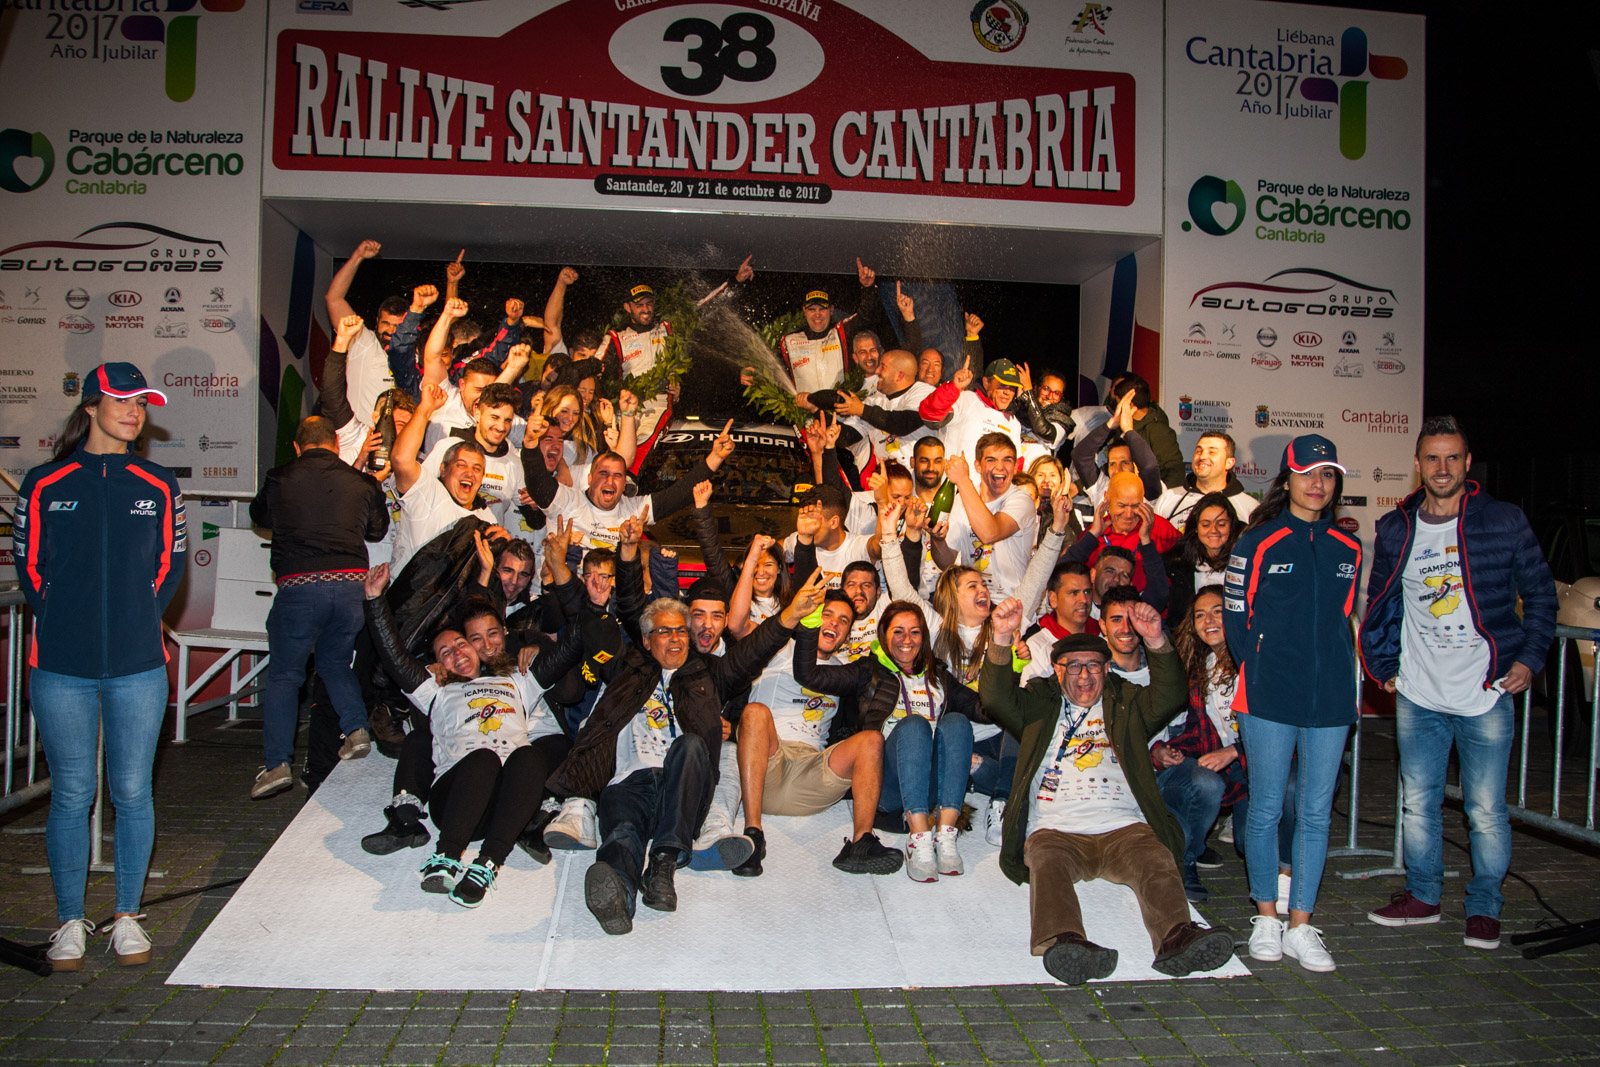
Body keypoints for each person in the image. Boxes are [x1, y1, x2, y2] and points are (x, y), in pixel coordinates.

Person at [1361, 416, 1557, 951]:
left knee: (1485, 811)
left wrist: (1529, 659)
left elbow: (1542, 596)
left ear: (1468, 463)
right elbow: (1382, 603)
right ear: (1418, 464)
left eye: (1452, 457)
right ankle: (1424, 896)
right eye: (1432, 458)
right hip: (1419, 694)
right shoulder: (1397, 526)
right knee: (1417, 804)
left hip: (1486, 692)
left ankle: (1485, 907)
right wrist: (1384, 667)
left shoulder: (1504, 520)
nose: (1442, 467)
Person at [16, 363, 186, 970]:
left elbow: (169, 567)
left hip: (138, 666)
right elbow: (30, 568)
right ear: (90, 407)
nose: (134, 410)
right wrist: (65, 620)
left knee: (133, 792)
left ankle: (127, 917)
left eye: (141, 401)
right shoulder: (45, 481)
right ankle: (70, 921)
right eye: (121, 399)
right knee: (72, 794)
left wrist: (136, 618)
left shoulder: (159, 483)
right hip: (61, 665)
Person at [557, 572, 824, 935]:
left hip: (682, 786)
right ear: (646, 640)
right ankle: (618, 895)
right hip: (627, 782)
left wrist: (790, 615)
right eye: (664, 631)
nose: (676, 638)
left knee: (691, 744)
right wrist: (596, 600)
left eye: (681, 631)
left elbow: (750, 654)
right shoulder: (625, 668)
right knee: (621, 834)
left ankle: (663, 866)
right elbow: (600, 626)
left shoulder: (707, 674)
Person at [982, 598, 1233, 984]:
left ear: (1106, 668)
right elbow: (995, 699)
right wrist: (1000, 637)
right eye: (1075, 666)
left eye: (1094, 666)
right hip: (1056, 828)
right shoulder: (1039, 704)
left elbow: (1171, 696)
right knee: (1046, 861)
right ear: (1057, 670)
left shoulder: (1127, 702)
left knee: (1155, 858)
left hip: (1123, 828)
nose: (1085, 676)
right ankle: (1065, 941)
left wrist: (1156, 640)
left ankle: (1177, 936)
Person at [362, 565, 604, 907]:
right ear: (437, 664)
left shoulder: (516, 681)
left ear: (476, 649)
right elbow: (394, 656)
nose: (456, 653)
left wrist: (592, 606)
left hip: (506, 806)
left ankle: (487, 864)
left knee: (529, 755)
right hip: (456, 800)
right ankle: (445, 857)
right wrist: (375, 600)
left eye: (460, 645)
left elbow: (568, 649)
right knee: (484, 759)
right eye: (445, 652)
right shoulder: (436, 691)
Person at [1225, 434, 1361, 973]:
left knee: (1315, 813)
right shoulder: (1256, 542)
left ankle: (1302, 924)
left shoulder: (1348, 548)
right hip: (1267, 693)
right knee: (1265, 808)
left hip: (1331, 696)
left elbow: (1343, 618)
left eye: (1327, 474)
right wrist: (1262, 665)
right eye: (1307, 473)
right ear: (1287, 479)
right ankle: (1266, 917)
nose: (1317, 484)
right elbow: (1237, 619)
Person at [248, 415, 390, 799]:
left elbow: (259, 517)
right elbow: (377, 529)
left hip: (300, 587)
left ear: (298, 447)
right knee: (334, 664)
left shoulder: (280, 477)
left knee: (285, 676)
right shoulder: (361, 482)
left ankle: (277, 764)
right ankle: (356, 729)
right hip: (349, 589)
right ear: (335, 445)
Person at [794, 600, 983, 882]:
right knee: (914, 725)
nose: (907, 640)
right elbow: (809, 675)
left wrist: (1007, 660)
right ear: (884, 634)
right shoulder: (868, 671)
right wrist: (809, 627)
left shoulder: (940, 677)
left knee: (957, 722)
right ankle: (919, 838)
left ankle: (945, 836)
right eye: (898, 631)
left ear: (924, 637)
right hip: (888, 784)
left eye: (915, 632)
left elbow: (986, 709)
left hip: (931, 785)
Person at [734, 591, 903, 876]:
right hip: (767, 764)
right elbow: (738, 626)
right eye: (828, 615)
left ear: (848, 634)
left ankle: (862, 842)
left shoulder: (844, 669)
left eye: (844, 620)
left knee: (872, 741)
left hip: (813, 772)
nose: (835, 623)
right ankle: (752, 836)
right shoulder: (780, 648)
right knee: (754, 712)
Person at [1155, 587, 1294, 905]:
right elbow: (1198, 732)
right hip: (1243, 775)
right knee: (1245, 840)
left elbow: (1286, 727)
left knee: (1289, 792)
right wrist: (1164, 750)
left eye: (1218, 611)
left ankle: (1288, 871)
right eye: (1200, 615)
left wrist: (1235, 751)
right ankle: (1187, 860)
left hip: (1279, 764)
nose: (1209, 621)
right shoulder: (1201, 669)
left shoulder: (1260, 660)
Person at [930, 433, 1038, 602]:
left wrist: (963, 480)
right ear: (978, 466)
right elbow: (946, 563)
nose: (1000, 467)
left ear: (1016, 466)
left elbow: (989, 533)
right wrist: (938, 539)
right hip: (973, 603)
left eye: (1007, 460)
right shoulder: (961, 500)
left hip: (1010, 603)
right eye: (991, 460)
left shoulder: (1022, 500)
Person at [917, 356, 1025, 465]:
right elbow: (929, 414)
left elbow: (1016, 464)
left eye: (1012, 387)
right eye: (1002, 385)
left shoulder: (1013, 423)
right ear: (986, 383)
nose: (1007, 392)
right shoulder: (965, 399)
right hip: (951, 476)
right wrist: (953, 387)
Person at [1161, 493, 1242, 627]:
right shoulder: (1178, 565)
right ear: (1195, 528)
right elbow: (1176, 619)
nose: (1213, 530)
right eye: (1205, 525)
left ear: (1232, 526)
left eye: (1221, 524)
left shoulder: (1246, 563)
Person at [1153, 432, 1258, 531]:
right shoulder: (1168, 498)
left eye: (1212, 452)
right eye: (1199, 451)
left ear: (1229, 463)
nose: (1202, 456)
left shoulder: (1249, 507)